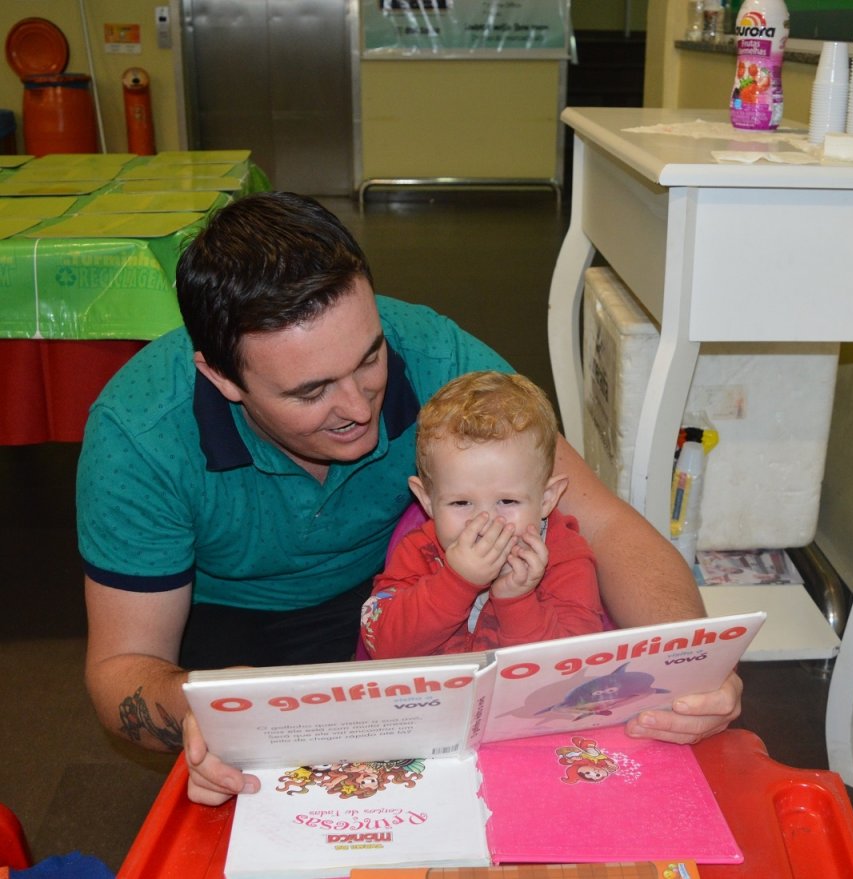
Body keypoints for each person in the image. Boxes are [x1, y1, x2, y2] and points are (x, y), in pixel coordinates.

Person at [76, 191, 742, 808]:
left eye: (370, 357)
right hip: (233, 627)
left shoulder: (435, 354)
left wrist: (691, 666)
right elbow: (121, 666)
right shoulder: (139, 438)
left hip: (408, 592)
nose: (358, 405)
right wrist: (198, 713)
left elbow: (601, 521)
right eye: (310, 392)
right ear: (221, 377)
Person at [361, 371, 605, 658]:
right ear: (427, 500)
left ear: (547, 499)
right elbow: (384, 648)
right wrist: (455, 581)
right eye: (461, 503)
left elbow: (574, 665)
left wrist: (517, 600)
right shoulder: (418, 551)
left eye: (507, 500)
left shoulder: (566, 558)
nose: (484, 523)